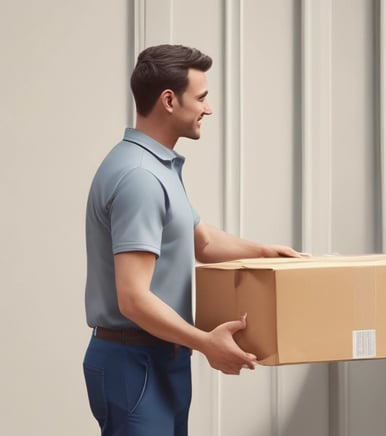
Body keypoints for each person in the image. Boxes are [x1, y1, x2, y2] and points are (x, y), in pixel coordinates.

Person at [82, 44, 304, 435]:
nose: (209, 108)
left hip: (157, 355)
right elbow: (133, 298)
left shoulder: (157, 166)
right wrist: (206, 343)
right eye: (201, 97)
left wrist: (267, 252)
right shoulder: (140, 177)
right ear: (169, 100)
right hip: (134, 361)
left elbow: (200, 242)